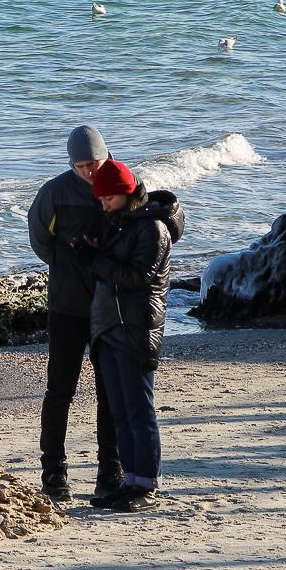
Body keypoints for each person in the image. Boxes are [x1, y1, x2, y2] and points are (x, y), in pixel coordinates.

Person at [71, 158, 185, 512]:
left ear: (124, 193)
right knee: (119, 411)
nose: (101, 204)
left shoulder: (153, 229)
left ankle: (147, 484)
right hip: (109, 327)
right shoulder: (120, 223)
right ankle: (130, 480)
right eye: (100, 199)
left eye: (106, 198)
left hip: (136, 328)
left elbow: (138, 277)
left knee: (139, 410)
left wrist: (93, 258)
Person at [28, 125, 121, 501]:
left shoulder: (124, 183)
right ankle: (54, 473)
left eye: (95, 164)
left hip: (111, 306)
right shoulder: (54, 193)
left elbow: (153, 228)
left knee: (110, 392)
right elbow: (40, 241)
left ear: (107, 156)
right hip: (66, 305)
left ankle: (110, 472)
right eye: (81, 166)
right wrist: (68, 266)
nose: (90, 173)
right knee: (59, 391)